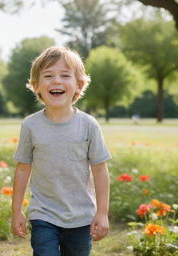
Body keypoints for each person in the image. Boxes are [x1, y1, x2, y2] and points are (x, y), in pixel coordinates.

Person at [11, 46, 112, 256]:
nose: (56, 81)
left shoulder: (88, 125)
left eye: (65, 75)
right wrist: (16, 211)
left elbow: (100, 170)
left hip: (81, 216)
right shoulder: (30, 125)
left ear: (79, 85)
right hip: (43, 213)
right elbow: (22, 169)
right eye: (48, 76)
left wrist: (102, 213)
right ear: (36, 86)